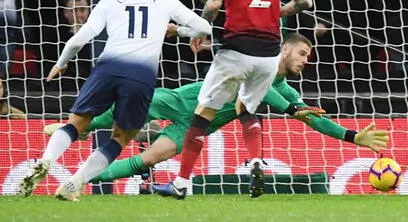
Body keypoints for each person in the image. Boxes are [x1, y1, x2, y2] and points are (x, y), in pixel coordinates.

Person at [43, 33, 389, 187]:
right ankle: (76, 127)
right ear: (285, 50)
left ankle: (80, 180)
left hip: (196, 127)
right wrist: (291, 109)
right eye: (302, 54)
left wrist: (351, 135)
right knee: (129, 112)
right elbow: (276, 97)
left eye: (308, 58)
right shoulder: (262, 65)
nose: (305, 61)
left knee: (151, 158)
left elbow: (307, 116)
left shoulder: (286, 88)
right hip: (186, 100)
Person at [17, 0, 211, 201]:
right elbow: (205, 28)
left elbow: (78, 39)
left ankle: (46, 160)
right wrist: (178, 31)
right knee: (120, 138)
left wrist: (61, 63)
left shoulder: (109, 1)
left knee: (76, 123)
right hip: (141, 76)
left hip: (107, 68)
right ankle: (76, 182)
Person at [159, 0, 313, 200]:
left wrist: (198, 30)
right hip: (268, 54)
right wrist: (279, 12)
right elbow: (305, 1)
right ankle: (255, 161)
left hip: (235, 51)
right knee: (246, 109)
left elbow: (215, 3)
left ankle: (180, 183)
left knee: (202, 116)